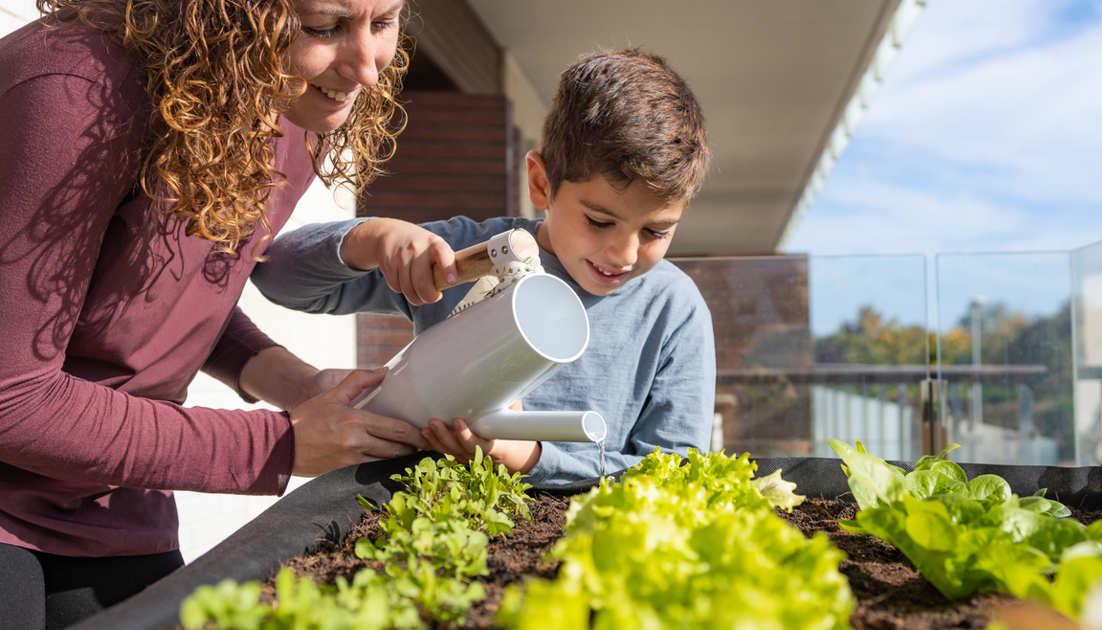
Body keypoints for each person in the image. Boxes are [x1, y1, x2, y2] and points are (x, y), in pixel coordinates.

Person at [0, 1, 430, 627]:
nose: (366, 68)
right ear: (230, 13)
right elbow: (11, 396)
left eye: (383, 21)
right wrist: (280, 446)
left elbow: (155, 286)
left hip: (108, 502)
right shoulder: (75, 94)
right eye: (324, 28)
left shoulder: (282, 98)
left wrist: (296, 383)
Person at [251, 49, 717, 486]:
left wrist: (532, 458)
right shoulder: (472, 254)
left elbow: (677, 475)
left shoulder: (673, 310)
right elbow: (275, 277)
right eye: (599, 221)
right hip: (436, 527)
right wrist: (370, 240)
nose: (625, 254)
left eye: (656, 232)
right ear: (540, 183)